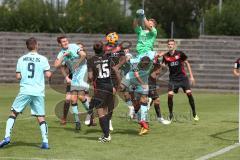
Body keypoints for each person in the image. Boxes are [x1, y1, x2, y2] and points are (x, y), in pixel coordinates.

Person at [0, 37, 51, 149]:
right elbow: (48, 75)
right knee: (41, 117)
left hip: (25, 90)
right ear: (37, 45)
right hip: (38, 92)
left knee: (13, 113)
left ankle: (7, 137)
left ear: (27, 47)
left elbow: (18, 76)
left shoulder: (21, 59)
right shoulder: (43, 59)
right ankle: (45, 141)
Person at [54, 36, 90, 131]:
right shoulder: (61, 53)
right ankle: (77, 122)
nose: (65, 42)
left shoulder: (73, 46)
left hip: (82, 72)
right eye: (63, 42)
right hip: (75, 76)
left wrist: (77, 63)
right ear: (60, 44)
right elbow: (56, 65)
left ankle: (91, 113)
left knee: (81, 97)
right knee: (73, 99)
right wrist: (64, 56)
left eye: (66, 40)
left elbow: (83, 54)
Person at [162, 39, 199, 122]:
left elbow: (187, 63)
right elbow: (163, 66)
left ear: (174, 45)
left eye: (172, 44)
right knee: (170, 95)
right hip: (173, 79)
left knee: (189, 93)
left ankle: (194, 113)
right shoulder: (165, 56)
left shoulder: (180, 53)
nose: (170, 45)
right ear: (167, 45)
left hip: (183, 78)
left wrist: (192, 76)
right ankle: (171, 114)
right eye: (169, 44)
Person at [87, 41, 118, 142]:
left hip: (100, 88)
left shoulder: (91, 60)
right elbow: (116, 71)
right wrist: (117, 84)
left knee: (100, 112)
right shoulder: (108, 59)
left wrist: (90, 80)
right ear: (103, 49)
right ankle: (106, 131)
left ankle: (106, 135)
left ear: (94, 50)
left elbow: (90, 77)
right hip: (110, 86)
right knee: (106, 110)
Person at [148, 60, 171, 125]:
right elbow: (153, 75)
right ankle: (160, 118)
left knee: (150, 101)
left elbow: (165, 68)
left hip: (152, 85)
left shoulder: (159, 68)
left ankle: (138, 114)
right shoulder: (153, 67)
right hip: (150, 85)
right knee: (156, 99)